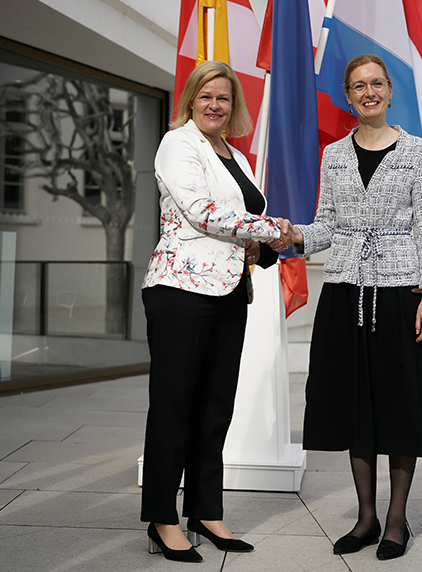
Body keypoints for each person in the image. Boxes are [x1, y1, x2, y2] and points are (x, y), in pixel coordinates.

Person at [275, 54, 422, 561]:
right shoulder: (333, 154)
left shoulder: (417, 153)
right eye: (357, 86)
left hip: (400, 293)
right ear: (348, 96)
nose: (368, 92)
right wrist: (295, 236)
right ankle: (366, 518)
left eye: (376, 84)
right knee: (356, 404)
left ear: (389, 91)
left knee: (400, 402)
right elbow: (327, 223)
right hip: (345, 291)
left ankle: (396, 520)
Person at [140, 60, 288, 563]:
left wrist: (261, 246)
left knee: (214, 408)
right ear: (191, 99)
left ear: (233, 105)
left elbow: (240, 221)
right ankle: (162, 518)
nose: (215, 104)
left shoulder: (236, 155)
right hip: (180, 290)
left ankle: (206, 511)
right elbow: (202, 213)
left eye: (223, 97)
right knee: (173, 406)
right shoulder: (177, 144)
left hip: (229, 292)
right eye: (206, 95)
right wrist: (272, 229)